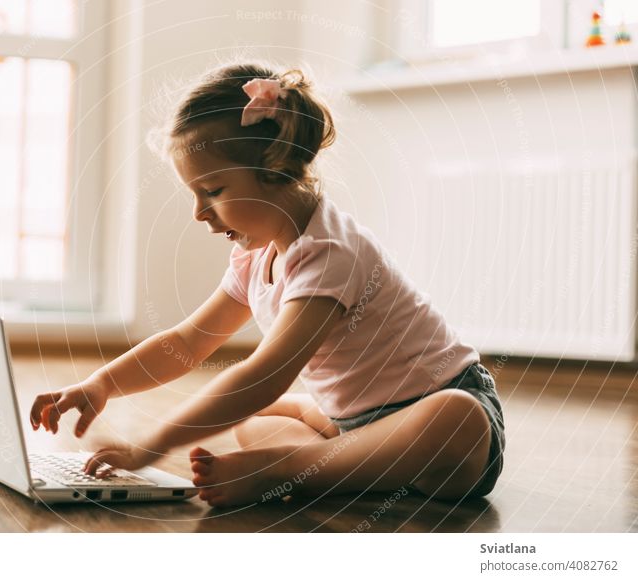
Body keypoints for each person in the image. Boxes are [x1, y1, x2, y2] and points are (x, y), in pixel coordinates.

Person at [30, 62, 505, 508]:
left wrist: (150, 446)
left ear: (276, 168)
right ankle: (332, 467)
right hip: (351, 426)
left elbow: (266, 372)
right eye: (194, 195)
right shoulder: (254, 257)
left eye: (212, 192)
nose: (198, 213)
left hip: (444, 419)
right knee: (255, 421)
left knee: (455, 416)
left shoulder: (328, 252)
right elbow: (188, 342)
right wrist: (103, 384)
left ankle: (290, 468)